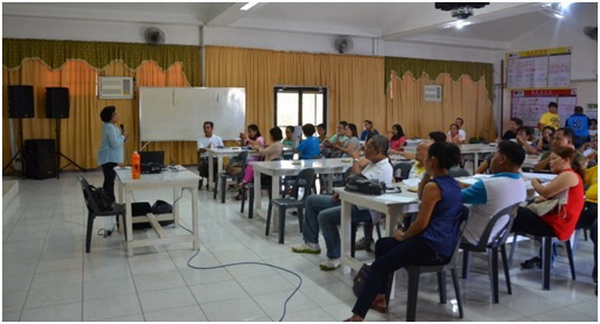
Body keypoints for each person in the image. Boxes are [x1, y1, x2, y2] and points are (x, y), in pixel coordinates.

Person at [345, 142, 463, 321]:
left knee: (377, 267)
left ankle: (357, 317)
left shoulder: (435, 187)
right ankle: (381, 296)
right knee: (383, 244)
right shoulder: (451, 183)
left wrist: (403, 236)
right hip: (442, 242)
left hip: (431, 247)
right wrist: (427, 174)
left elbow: (421, 224)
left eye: (426, 156)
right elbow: (420, 196)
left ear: (433, 159)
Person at [291, 135, 393, 271]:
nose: (364, 149)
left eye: (368, 147)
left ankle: (335, 256)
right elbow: (354, 184)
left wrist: (356, 159)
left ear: (378, 151)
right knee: (312, 200)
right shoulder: (373, 163)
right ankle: (311, 243)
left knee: (325, 216)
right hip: (351, 200)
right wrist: (340, 193)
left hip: (365, 208)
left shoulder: (384, 168)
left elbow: (356, 179)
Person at [513, 146, 585, 269]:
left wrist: (534, 181)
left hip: (557, 225)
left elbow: (545, 192)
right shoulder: (566, 175)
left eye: (553, 159)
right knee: (513, 218)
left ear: (566, 160)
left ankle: (488, 242)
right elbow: (553, 196)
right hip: (555, 221)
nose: (550, 162)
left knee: (513, 210)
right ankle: (494, 244)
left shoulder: (569, 175)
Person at [460, 141, 527, 245]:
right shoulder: (521, 182)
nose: (491, 159)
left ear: (502, 159)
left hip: (472, 236)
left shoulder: (488, 185)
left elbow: (455, 198)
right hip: (497, 235)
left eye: (494, 155)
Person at [97, 106, 129, 202]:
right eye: (115, 114)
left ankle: (109, 199)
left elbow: (117, 142)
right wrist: (123, 137)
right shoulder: (109, 127)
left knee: (110, 180)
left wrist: (123, 138)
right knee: (109, 180)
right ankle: (108, 200)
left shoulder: (113, 126)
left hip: (112, 157)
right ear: (109, 116)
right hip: (108, 157)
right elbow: (114, 144)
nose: (118, 115)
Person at [237, 124, 265, 199]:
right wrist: (243, 139)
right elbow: (242, 146)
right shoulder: (249, 139)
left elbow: (257, 144)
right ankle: (242, 188)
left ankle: (243, 186)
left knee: (248, 167)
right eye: (248, 132)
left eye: (250, 131)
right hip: (246, 159)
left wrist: (248, 139)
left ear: (255, 131)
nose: (249, 133)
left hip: (255, 159)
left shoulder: (260, 138)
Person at [196, 121, 224, 189]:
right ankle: (208, 182)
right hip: (205, 158)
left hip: (215, 158)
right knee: (204, 165)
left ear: (212, 129)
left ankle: (213, 183)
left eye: (208, 128)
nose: (206, 130)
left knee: (218, 165)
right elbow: (200, 150)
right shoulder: (200, 139)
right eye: (204, 128)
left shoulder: (218, 138)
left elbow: (222, 149)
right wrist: (207, 148)